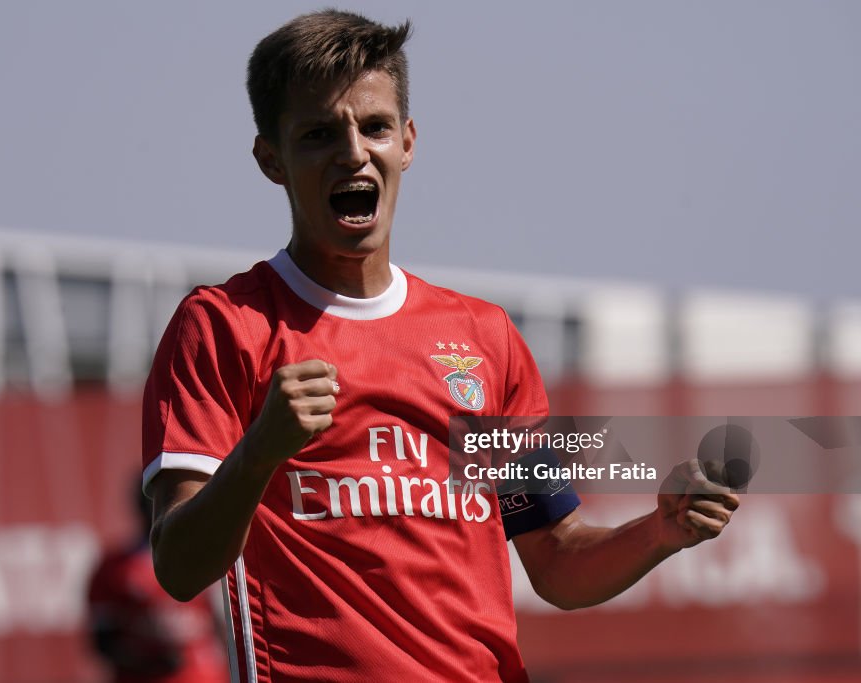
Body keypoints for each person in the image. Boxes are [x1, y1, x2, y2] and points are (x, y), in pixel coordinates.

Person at [142, 10, 739, 683]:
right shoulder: (225, 325)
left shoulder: (486, 337)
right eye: (317, 135)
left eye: (374, 127)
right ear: (270, 159)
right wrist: (258, 454)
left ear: (408, 141)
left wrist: (660, 531)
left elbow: (557, 559)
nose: (352, 152)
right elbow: (179, 566)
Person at [86, 476, 228, 683]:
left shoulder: (209, 556)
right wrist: (148, 662)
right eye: (151, 497)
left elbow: (224, 630)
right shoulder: (114, 567)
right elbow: (103, 643)